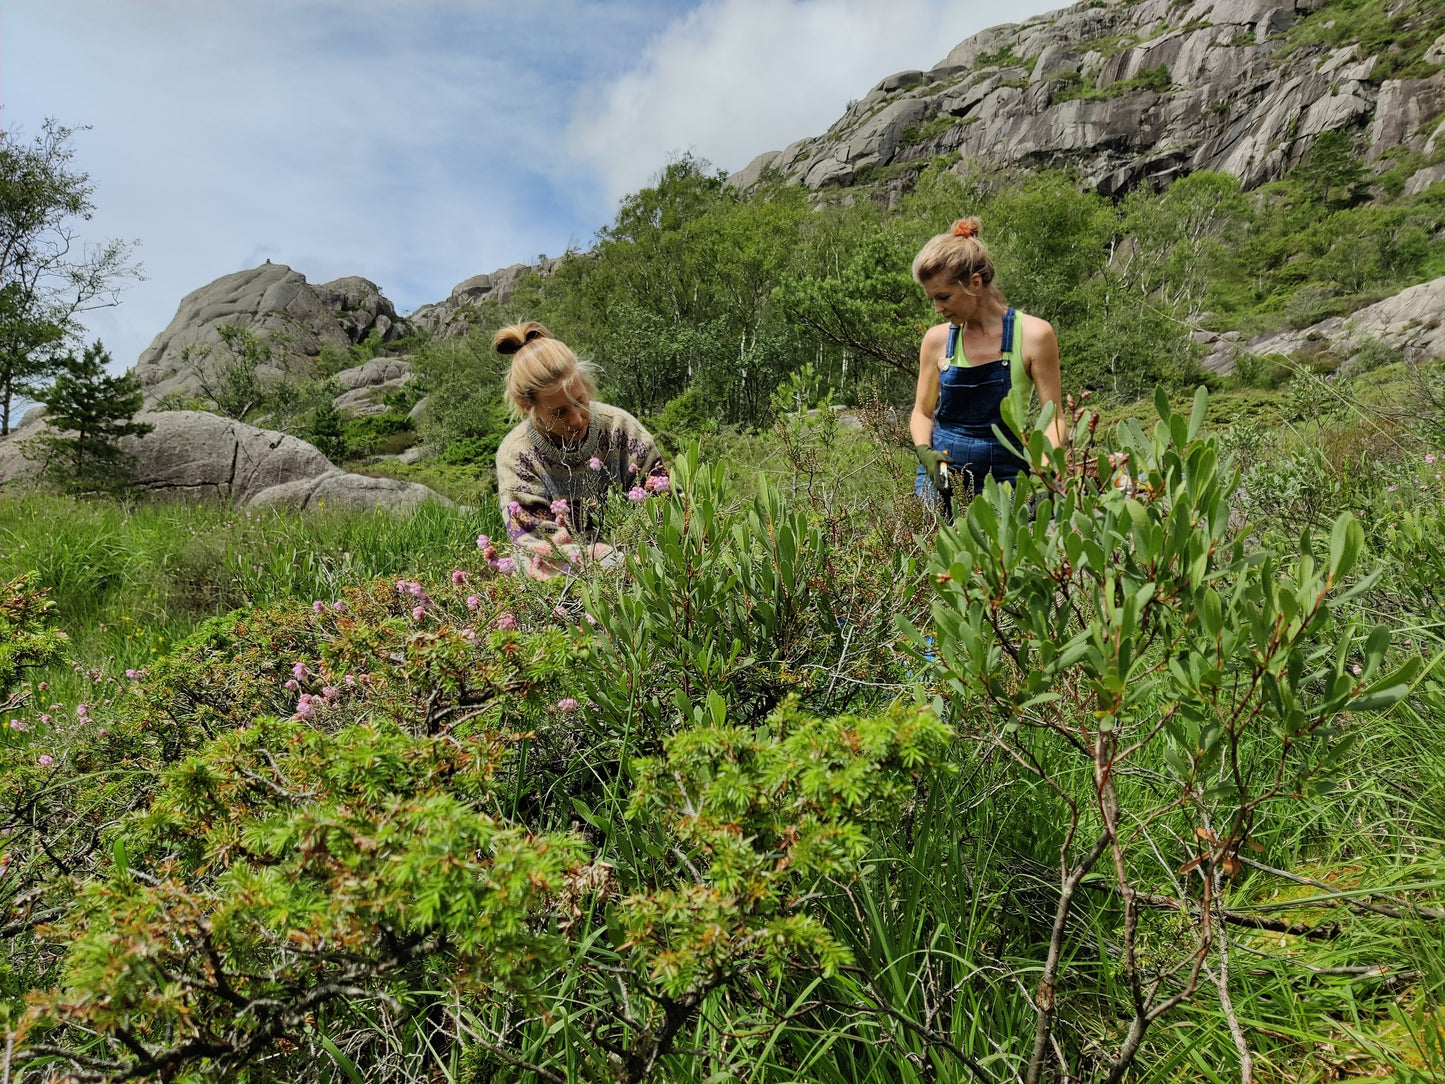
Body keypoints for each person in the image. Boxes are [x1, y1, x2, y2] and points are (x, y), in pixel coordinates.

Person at [910, 217, 1065, 505]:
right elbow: (922, 412)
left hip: (1006, 476)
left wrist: (1044, 472)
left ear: (975, 283)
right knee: (934, 546)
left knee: (1007, 548)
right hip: (943, 475)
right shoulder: (936, 340)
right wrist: (925, 453)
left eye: (944, 297)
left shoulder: (1034, 335)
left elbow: (1052, 418)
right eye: (932, 298)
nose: (937, 308)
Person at [493, 322, 667, 579]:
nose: (577, 419)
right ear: (526, 405)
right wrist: (610, 562)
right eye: (559, 412)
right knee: (528, 564)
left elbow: (664, 503)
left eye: (580, 400)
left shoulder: (621, 428)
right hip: (567, 570)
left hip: (640, 556)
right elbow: (535, 542)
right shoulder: (516, 456)